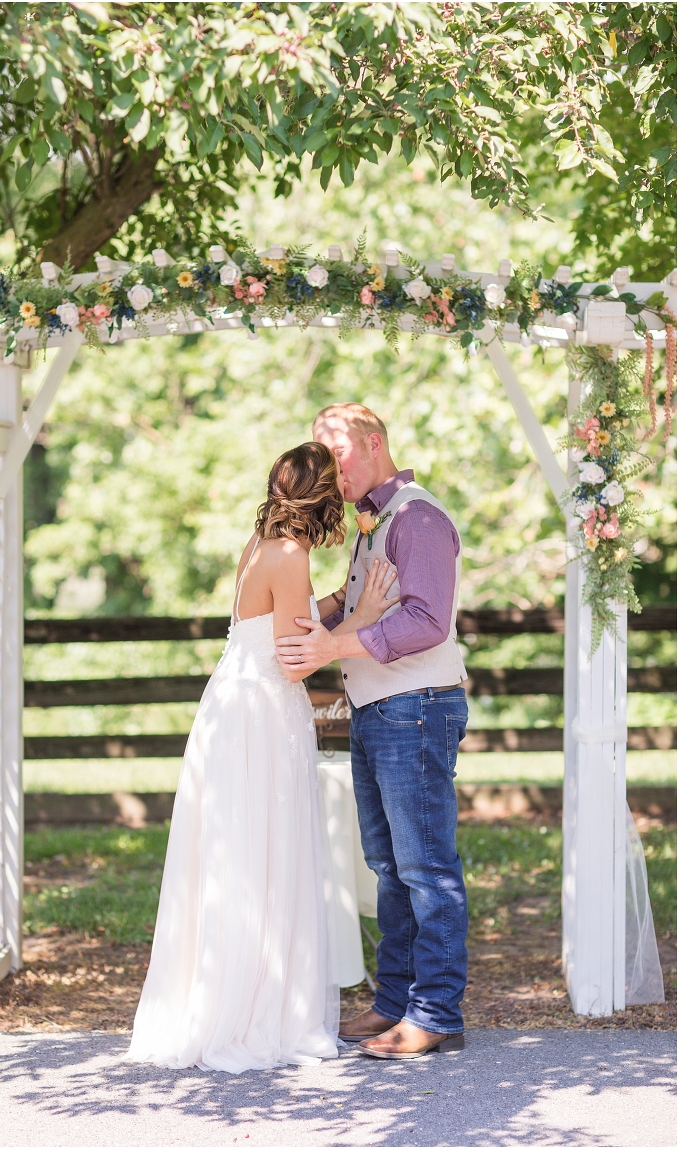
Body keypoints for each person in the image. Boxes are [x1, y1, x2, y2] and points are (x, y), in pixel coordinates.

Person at [126, 441, 397, 1073]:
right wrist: (365, 612)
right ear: (324, 495)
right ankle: (254, 1013)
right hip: (261, 714)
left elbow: (285, 618)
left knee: (237, 851)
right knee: (263, 851)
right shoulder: (292, 553)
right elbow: (292, 655)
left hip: (230, 704)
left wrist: (335, 602)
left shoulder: (261, 546)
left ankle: (230, 994)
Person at [276, 403, 469, 1060]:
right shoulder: (374, 522)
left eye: (339, 453)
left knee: (425, 867)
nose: (329, 469)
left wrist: (331, 644)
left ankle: (436, 1011)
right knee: (389, 867)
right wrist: (301, 611)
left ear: (376, 442)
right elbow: (357, 598)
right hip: (379, 708)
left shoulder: (417, 518)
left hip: (414, 707)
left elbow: (423, 622)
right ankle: (393, 1002)